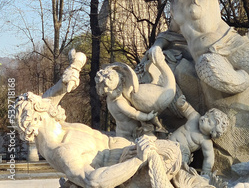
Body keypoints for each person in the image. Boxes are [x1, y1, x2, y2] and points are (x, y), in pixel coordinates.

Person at [14, 53, 186, 188]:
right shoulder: (61, 151)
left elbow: (56, 91)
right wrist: (138, 160)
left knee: (178, 156)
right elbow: (93, 181)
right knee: (172, 154)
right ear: (37, 116)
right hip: (127, 167)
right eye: (41, 101)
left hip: (128, 145)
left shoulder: (54, 124)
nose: (47, 100)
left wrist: (75, 66)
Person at [95, 46, 175, 139]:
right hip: (128, 134)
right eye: (122, 83)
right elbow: (134, 113)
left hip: (126, 131)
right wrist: (147, 116)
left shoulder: (111, 99)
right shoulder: (119, 102)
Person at [168, 94, 229, 176]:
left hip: (181, 154)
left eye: (209, 122)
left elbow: (209, 157)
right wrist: (181, 105)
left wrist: (206, 171)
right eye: (206, 115)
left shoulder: (205, 141)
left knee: (179, 165)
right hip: (169, 141)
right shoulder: (195, 117)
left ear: (213, 131)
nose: (204, 118)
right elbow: (187, 109)